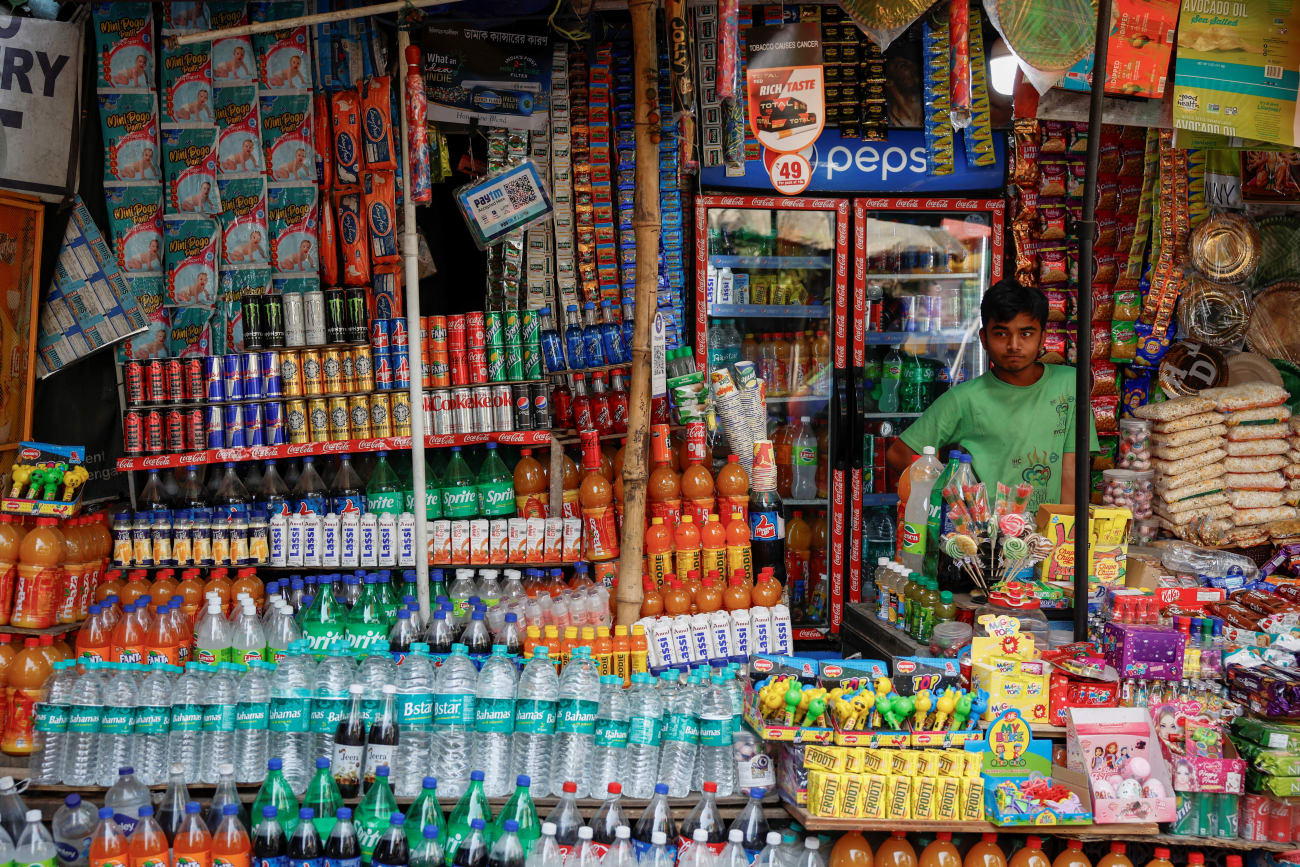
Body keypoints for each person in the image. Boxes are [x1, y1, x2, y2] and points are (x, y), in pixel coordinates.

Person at [886, 280, 1098, 509]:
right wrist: (950, 493)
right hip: (987, 538)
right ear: (984, 338)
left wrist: (1065, 537)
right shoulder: (964, 399)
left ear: (1042, 338)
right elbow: (899, 454)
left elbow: (1072, 470)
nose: (1014, 345)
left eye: (1026, 333)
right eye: (1001, 333)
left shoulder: (1069, 384)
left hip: (1049, 536)